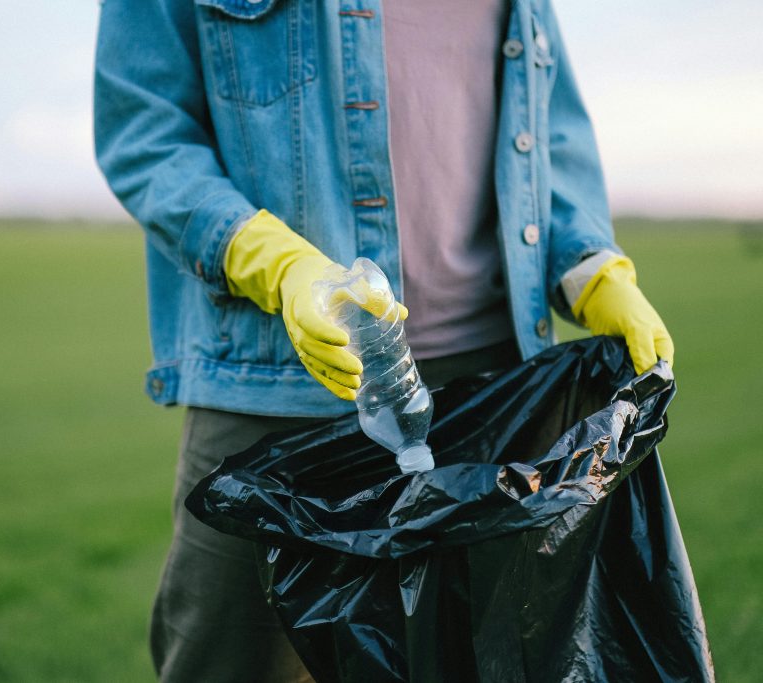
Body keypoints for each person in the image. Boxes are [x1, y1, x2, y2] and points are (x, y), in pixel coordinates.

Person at [94, 1, 674, 681]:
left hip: (491, 389)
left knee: (480, 662)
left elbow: (549, 131)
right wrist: (278, 266)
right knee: (231, 664)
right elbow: (145, 131)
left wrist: (591, 269)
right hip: (275, 382)